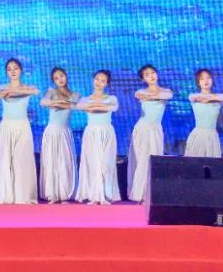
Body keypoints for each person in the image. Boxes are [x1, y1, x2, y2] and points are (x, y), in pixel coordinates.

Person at [0, 58, 40, 204]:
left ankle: (21, 196)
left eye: (15, 68)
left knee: (21, 160)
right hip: (6, 126)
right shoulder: (1, 87)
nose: (12, 71)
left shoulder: (29, 87)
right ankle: (4, 195)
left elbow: (36, 91)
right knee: (4, 160)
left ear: (21, 70)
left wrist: (12, 92)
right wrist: (14, 91)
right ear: (6, 72)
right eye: (9, 69)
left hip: (22, 126)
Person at [73, 69, 120, 205]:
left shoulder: (112, 98)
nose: (99, 82)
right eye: (97, 79)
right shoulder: (84, 99)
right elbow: (80, 107)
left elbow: (113, 107)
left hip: (107, 132)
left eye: (103, 80)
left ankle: (106, 194)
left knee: (106, 163)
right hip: (92, 133)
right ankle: (94, 195)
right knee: (93, 163)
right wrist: (100, 106)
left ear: (107, 84)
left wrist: (94, 106)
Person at [127, 64, 172, 202]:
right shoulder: (141, 92)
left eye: (152, 73)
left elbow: (167, 95)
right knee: (142, 160)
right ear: (143, 79)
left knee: (154, 160)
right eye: (147, 75)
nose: (151, 76)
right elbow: (139, 95)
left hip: (156, 129)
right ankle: (140, 194)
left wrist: (153, 96)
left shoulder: (166, 91)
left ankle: (151, 194)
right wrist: (154, 96)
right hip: (142, 128)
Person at [39, 67, 80, 203]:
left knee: (65, 162)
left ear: (66, 76)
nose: (60, 79)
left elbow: (74, 106)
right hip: (51, 132)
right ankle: (53, 194)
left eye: (62, 76)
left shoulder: (75, 94)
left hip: (64, 132)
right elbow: (43, 102)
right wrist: (59, 103)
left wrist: (58, 104)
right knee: (51, 161)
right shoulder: (51, 92)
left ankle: (64, 194)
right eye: (56, 78)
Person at [185, 68, 223, 158]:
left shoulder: (218, 99)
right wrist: (209, 98)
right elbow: (192, 97)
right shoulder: (194, 97)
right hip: (198, 135)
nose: (206, 81)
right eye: (202, 79)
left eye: (208, 77)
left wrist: (209, 98)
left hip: (212, 136)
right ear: (198, 82)